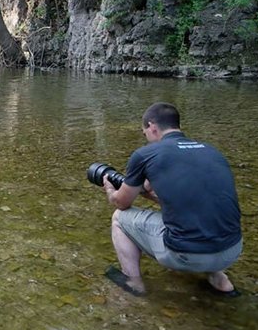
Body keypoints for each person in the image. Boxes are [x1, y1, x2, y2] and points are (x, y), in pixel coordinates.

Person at [102, 101, 242, 297]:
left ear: (151, 126)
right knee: (205, 214)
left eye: (145, 133)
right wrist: (149, 194)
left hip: (185, 255)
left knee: (119, 218)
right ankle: (220, 280)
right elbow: (191, 202)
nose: (147, 139)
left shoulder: (146, 154)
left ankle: (133, 282)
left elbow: (121, 202)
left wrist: (110, 189)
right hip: (232, 251)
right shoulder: (212, 152)